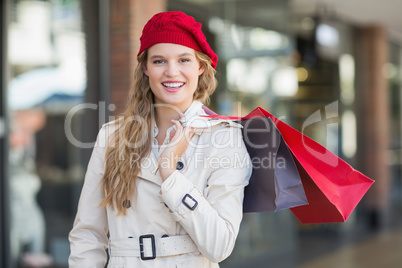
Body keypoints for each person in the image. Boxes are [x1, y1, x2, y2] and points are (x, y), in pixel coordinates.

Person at [69, 11, 252, 267]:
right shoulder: (112, 136)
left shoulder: (223, 137)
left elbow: (220, 246)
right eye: (159, 61)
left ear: (201, 66)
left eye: (184, 60)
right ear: (145, 68)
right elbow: (88, 234)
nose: (172, 72)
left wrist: (170, 173)